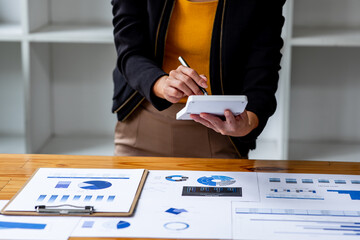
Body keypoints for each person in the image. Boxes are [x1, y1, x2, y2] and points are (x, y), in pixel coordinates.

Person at [111, 0, 285, 159]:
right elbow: (129, 53)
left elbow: (263, 71)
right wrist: (162, 84)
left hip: (220, 130)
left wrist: (248, 123)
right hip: (143, 121)